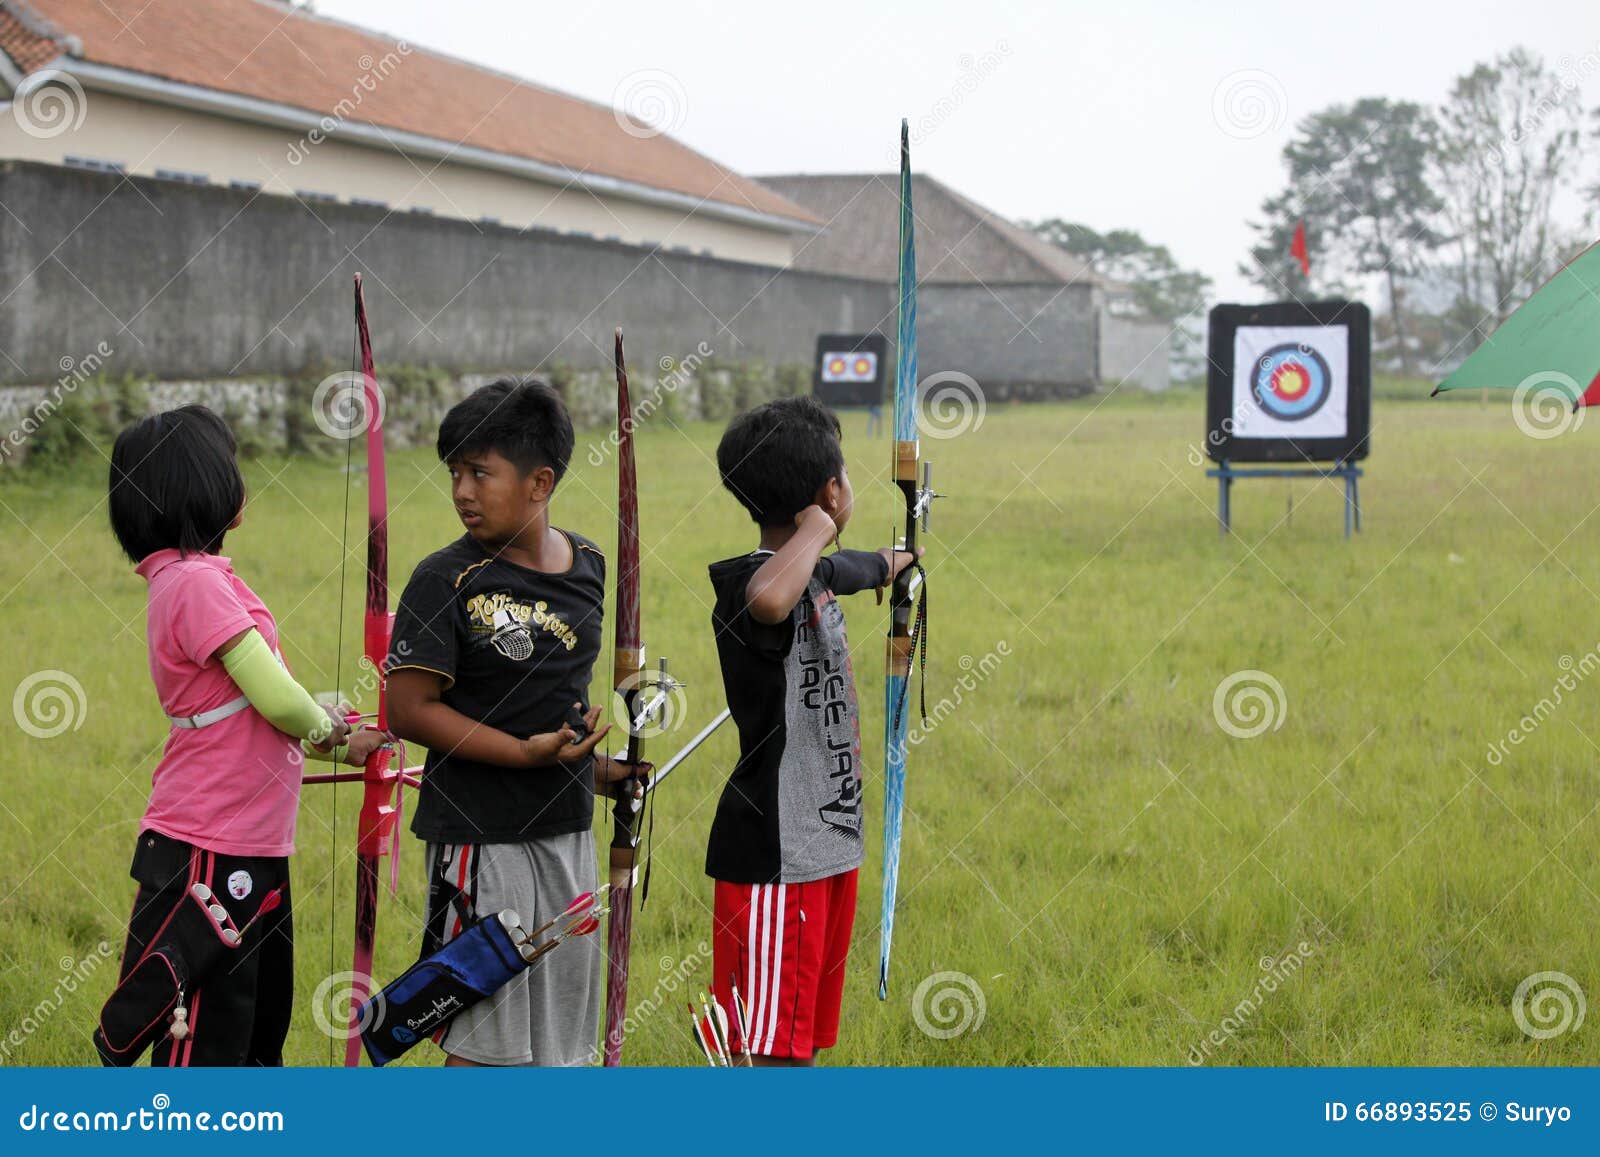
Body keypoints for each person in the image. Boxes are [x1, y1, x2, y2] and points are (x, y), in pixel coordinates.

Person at [96, 405, 385, 1067]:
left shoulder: (196, 578)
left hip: (243, 847)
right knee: (206, 1040)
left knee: (254, 1029)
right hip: (210, 850)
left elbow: (258, 699)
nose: (239, 480)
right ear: (197, 485)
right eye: (228, 467)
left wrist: (318, 720)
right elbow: (277, 696)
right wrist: (334, 734)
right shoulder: (194, 582)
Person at [385, 378, 643, 1067]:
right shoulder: (445, 578)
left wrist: (598, 769)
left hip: (567, 834)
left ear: (540, 482)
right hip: (480, 840)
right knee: (486, 1045)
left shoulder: (588, 564)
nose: (462, 491)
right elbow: (406, 709)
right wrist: (522, 753)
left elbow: (556, 710)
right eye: (455, 474)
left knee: (559, 1044)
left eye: (480, 472)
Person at [704, 395, 918, 1065]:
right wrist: (823, 527)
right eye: (844, 475)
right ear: (829, 491)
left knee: (797, 1039)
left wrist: (891, 562)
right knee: (767, 1051)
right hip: (776, 854)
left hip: (825, 845)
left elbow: (839, 570)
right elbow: (772, 597)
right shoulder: (751, 584)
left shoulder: (810, 572)